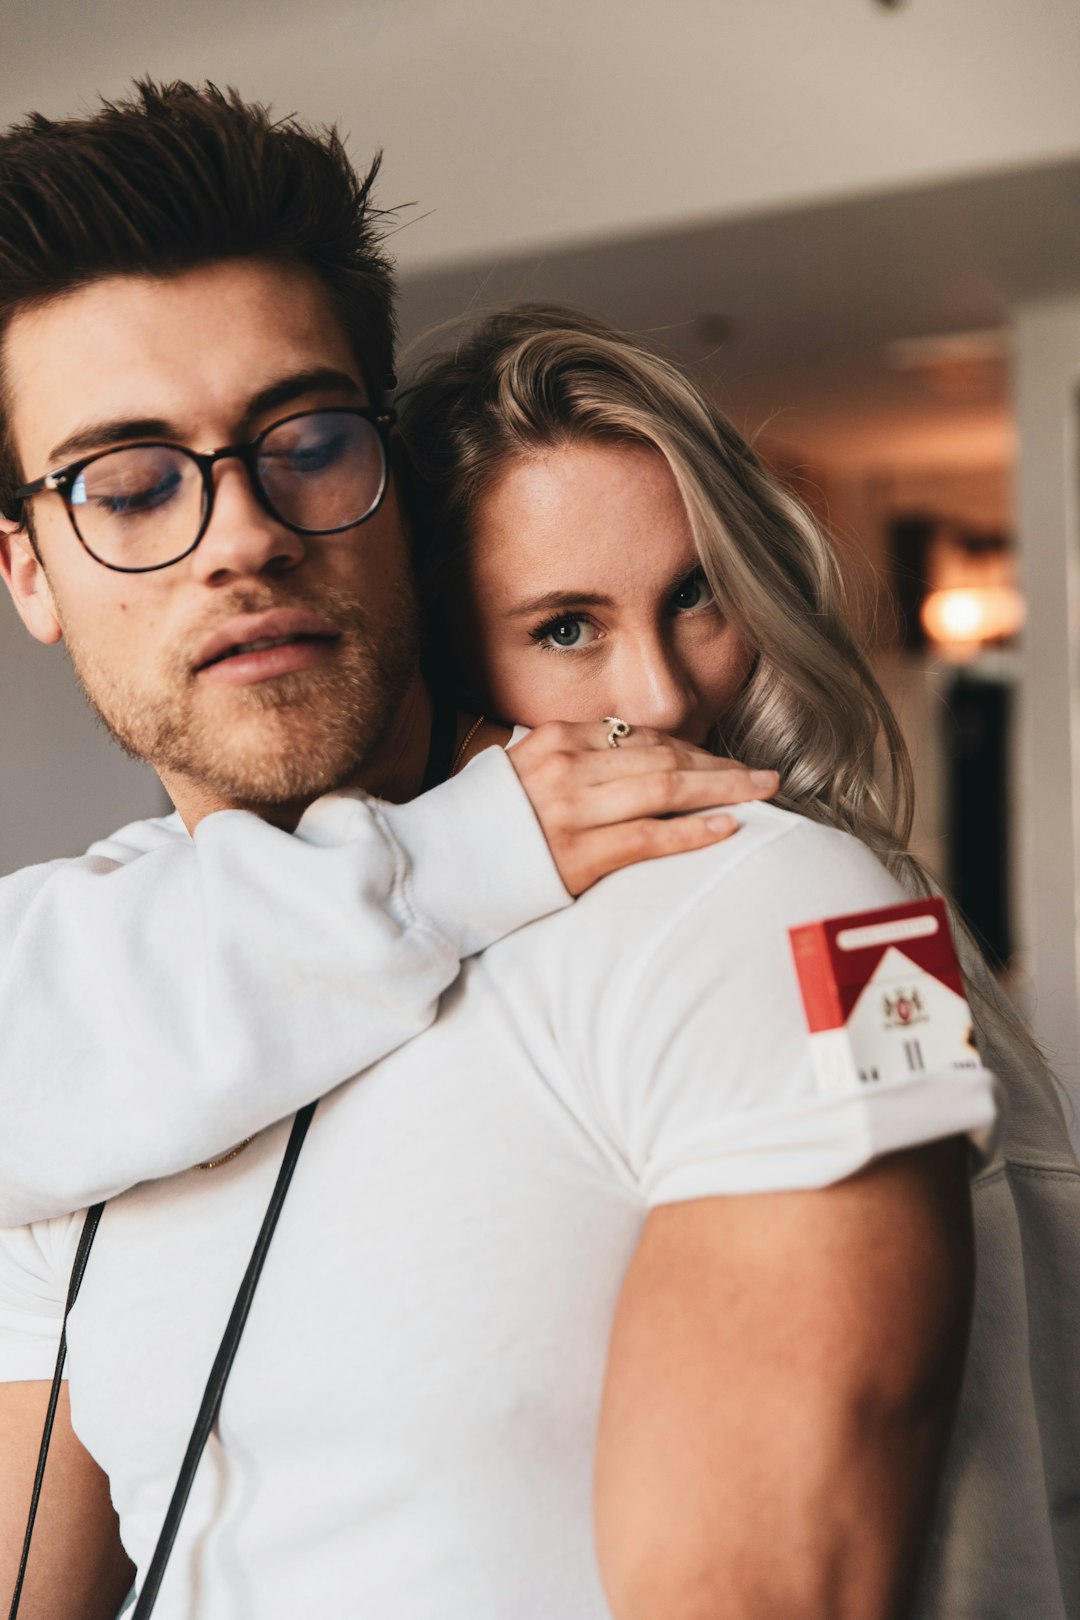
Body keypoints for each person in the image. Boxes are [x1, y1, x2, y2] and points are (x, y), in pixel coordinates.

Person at [0, 81, 1015, 1620]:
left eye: (309, 441)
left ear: (392, 481)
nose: (241, 532)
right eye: (128, 484)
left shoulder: (779, 897)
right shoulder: (95, 1036)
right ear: (29, 570)